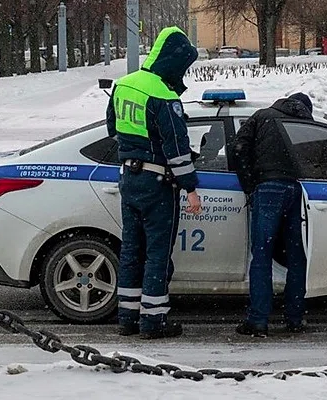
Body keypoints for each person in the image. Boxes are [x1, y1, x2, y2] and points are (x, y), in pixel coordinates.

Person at [106, 26, 201, 340]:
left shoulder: (124, 85)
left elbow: (112, 129)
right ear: (173, 62)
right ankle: (153, 322)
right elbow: (176, 147)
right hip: (157, 183)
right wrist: (190, 187)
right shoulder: (163, 95)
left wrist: (138, 147)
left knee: (132, 251)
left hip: (128, 180)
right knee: (158, 254)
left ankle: (127, 319)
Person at [230, 92, 317, 338]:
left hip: (267, 189)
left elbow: (236, 149)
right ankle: (295, 318)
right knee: (297, 255)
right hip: (298, 191)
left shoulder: (262, 116)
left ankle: (258, 320)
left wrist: (250, 184)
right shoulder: (305, 125)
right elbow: (322, 159)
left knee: (262, 255)